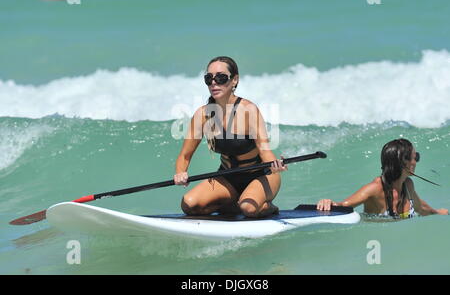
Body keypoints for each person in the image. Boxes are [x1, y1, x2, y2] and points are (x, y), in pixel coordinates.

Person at [174, 56, 287, 218]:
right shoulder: (203, 115)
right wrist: (180, 172)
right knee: (189, 204)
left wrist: (274, 164)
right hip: (228, 177)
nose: (214, 82)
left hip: (262, 175)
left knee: (248, 208)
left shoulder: (248, 110)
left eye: (220, 77)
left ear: (234, 80)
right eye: (209, 78)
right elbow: (184, 155)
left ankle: (268, 207)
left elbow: (265, 151)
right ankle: (234, 204)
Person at [317, 139, 448, 218]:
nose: (416, 162)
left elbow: (421, 208)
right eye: (416, 157)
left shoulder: (408, 185)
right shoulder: (375, 189)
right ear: (404, 161)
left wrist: (439, 212)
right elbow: (343, 206)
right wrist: (327, 203)